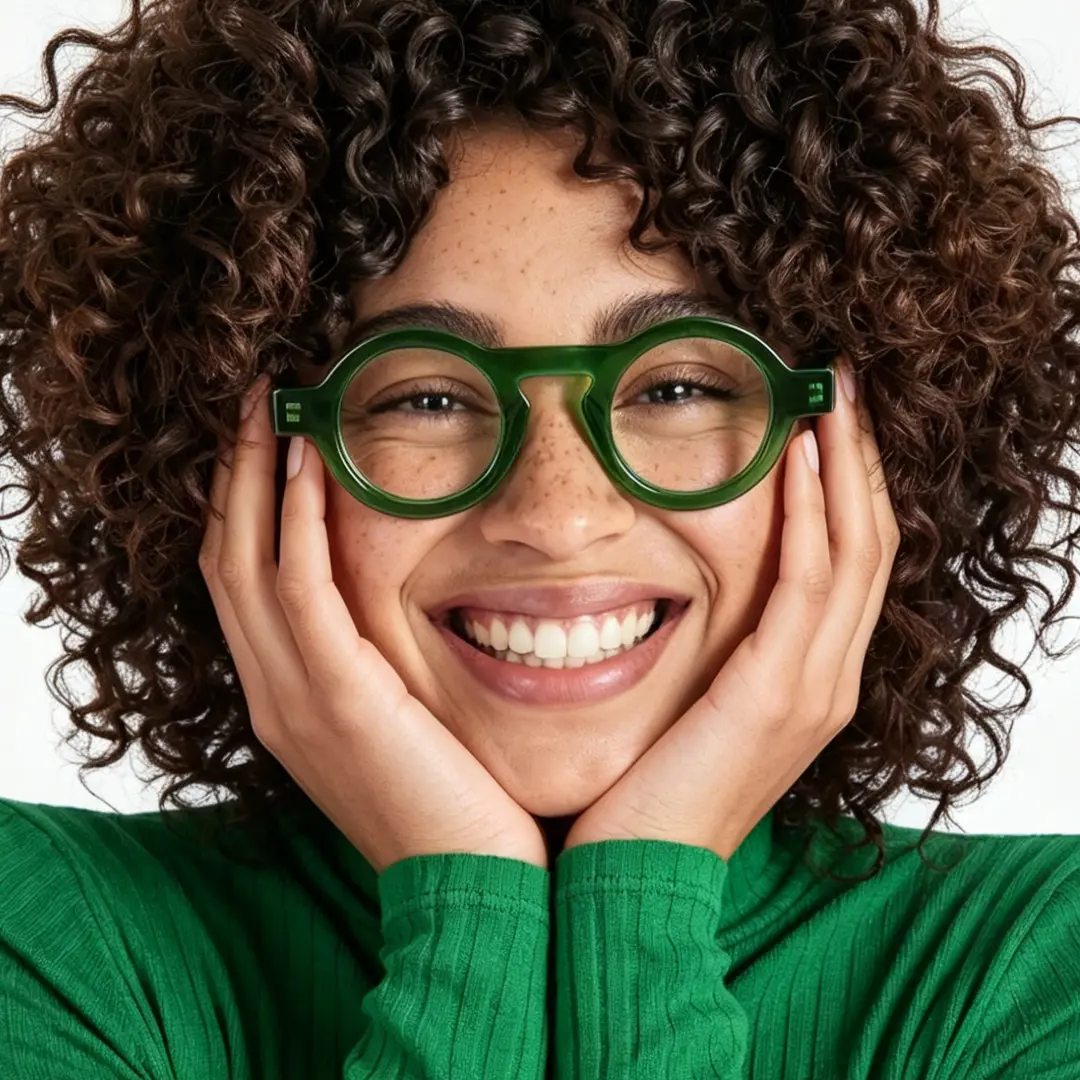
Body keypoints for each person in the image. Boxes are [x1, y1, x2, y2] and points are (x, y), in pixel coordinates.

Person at [1, 0, 1079, 1075]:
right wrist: (465, 906)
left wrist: (644, 893)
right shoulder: (42, 941)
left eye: (677, 385)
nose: (556, 518)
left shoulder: (1043, 971)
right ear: (222, 465)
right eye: (423, 398)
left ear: (872, 447)